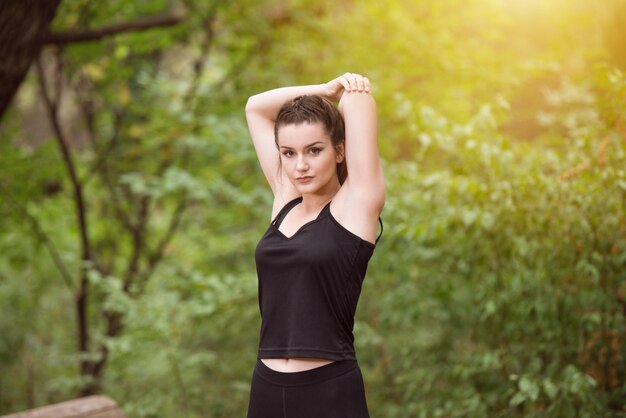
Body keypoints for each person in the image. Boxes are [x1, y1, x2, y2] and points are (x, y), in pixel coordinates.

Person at [244, 72, 385, 417]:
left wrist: (346, 90)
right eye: (288, 153)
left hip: (328, 391)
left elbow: (358, 102)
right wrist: (322, 90)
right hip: (266, 388)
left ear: (340, 151)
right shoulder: (285, 200)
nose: (300, 165)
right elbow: (255, 108)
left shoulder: (356, 205)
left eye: (314, 150)